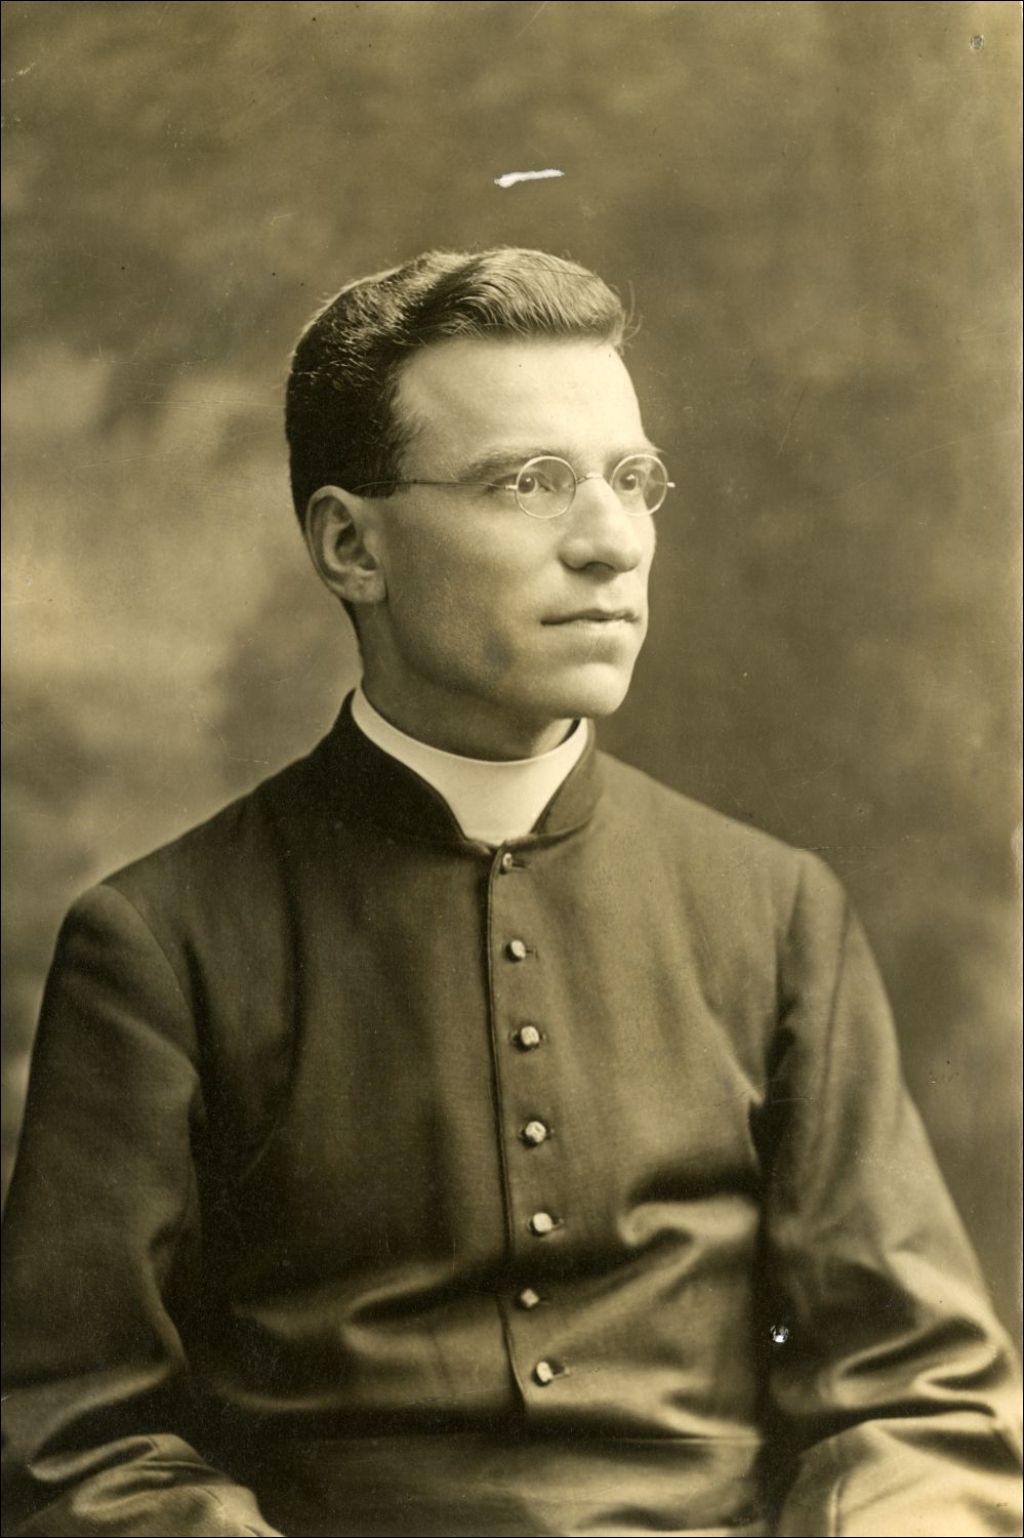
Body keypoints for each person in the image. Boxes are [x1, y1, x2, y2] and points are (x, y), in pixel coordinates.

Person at [2, 247, 1020, 1538]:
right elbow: (77, 1441)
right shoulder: (162, 944)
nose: (610, 542)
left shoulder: (776, 914)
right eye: (528, 482)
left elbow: (918, 1399)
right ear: (351, 546)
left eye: (632, 480)